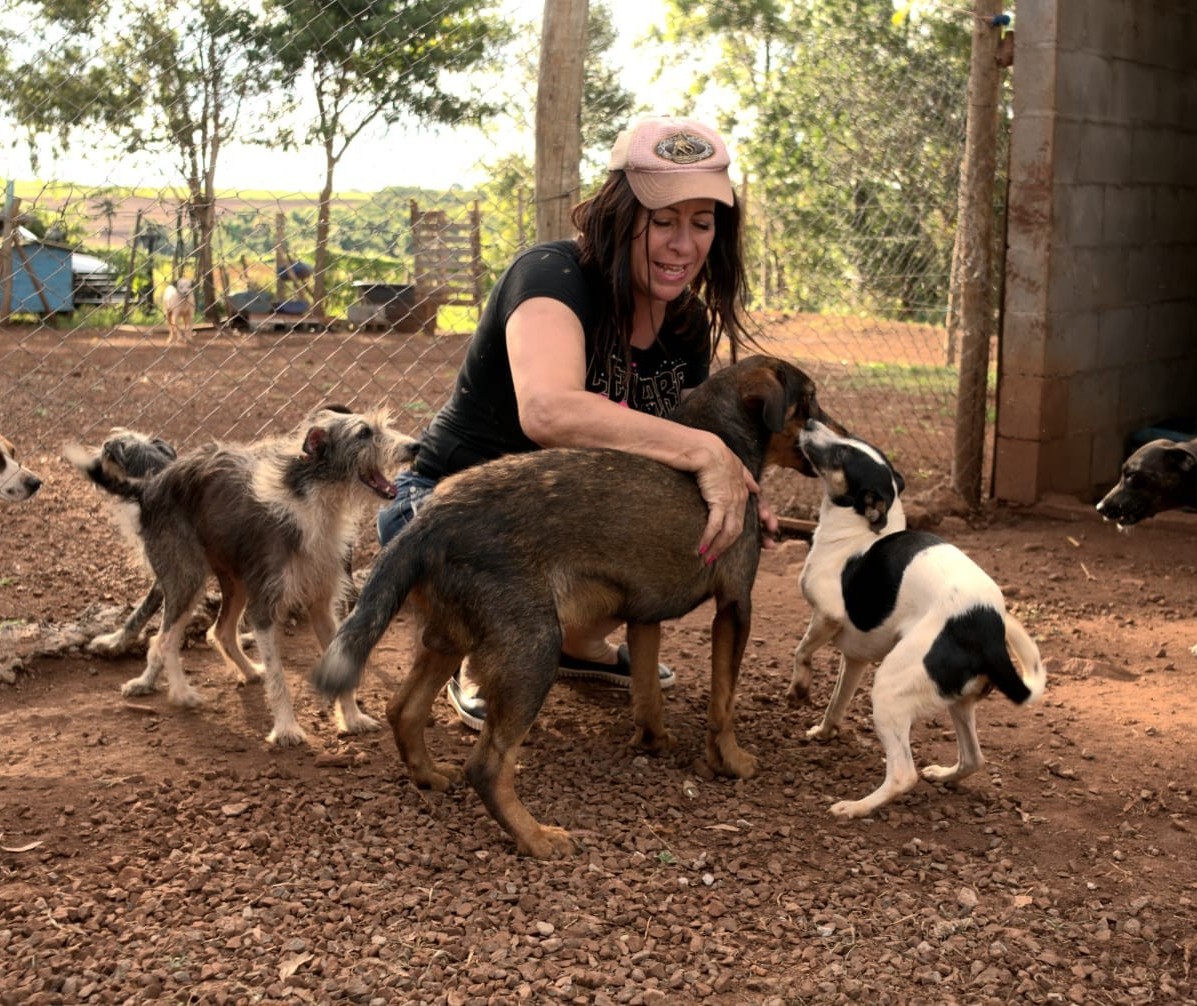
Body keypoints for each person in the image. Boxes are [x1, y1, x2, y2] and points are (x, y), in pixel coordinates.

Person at [377, 114, 774, 730]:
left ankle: (573, 644)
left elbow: (674, 451)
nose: (684, 245)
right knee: (517, 579)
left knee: (694, 534)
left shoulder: (686, 323)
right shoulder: (553, 276)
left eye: (702, 224)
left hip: (559, 531)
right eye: (663, 222)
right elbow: (548, 410)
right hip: (448, 516)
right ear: (620, 217)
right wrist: (704, 451)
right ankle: (472, 647)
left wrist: (736, 494)